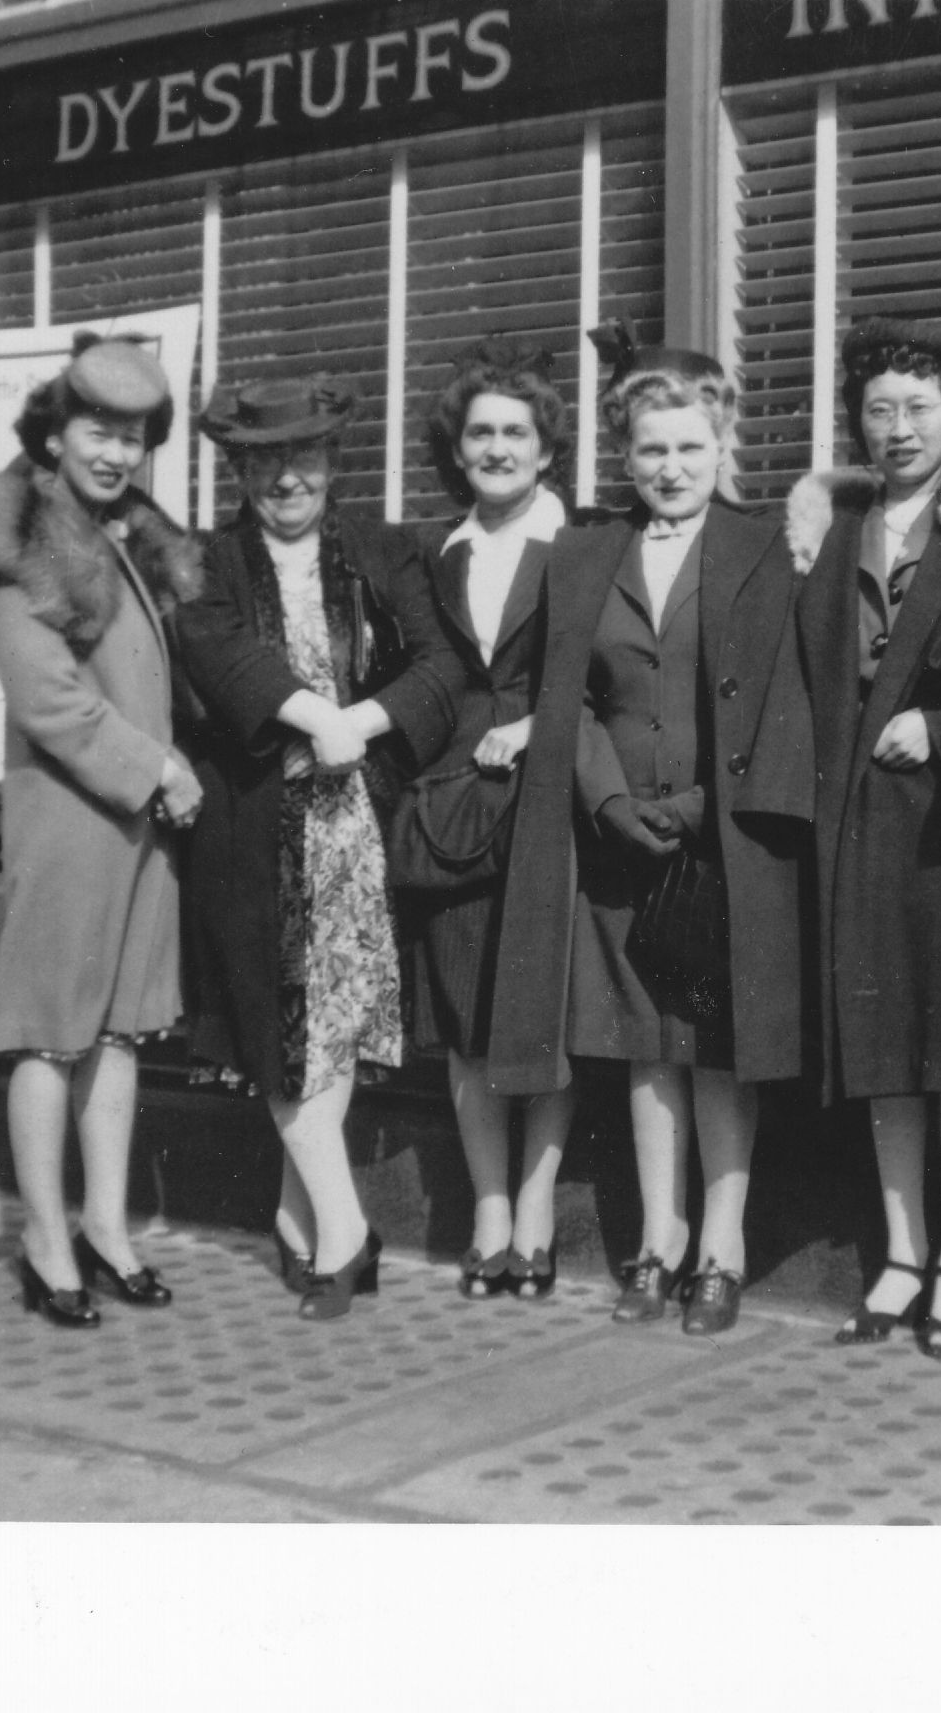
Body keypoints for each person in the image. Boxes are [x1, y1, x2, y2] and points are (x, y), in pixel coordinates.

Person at [487, 331, 811, 1336]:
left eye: (688, 450)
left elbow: (785, 697)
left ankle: (723, 1243)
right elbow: (565, 694)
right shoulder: (582, 554)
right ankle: (656, 1241)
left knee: (713, 1047)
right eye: (648, 452)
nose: (668, 470)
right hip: (620, 843)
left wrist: (711, 809)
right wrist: (611, 804)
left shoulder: (767, 548)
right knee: (642, 1051)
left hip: (724, 846)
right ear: (621, 457)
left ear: (723, 449)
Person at [173, 375, 457, 1321]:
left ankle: (301, 1220)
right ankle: (346, 1231)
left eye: (301, 456)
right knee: (281, 1024)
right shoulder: (208, 561)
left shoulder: (383, 549)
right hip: (255, 826)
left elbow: (441, 666)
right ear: (238, 469)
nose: (285, 477)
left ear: (333, 460)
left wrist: (363, 723)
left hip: (359, 826)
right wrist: (307, 717)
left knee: (330, 1025)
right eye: (262, 460)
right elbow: (213, 651)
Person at [0, 336, 204, 1329]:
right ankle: (45, 1244)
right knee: (51, 1037)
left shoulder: (123, 536)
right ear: (53, 431)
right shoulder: (16, 538)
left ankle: (105, 1227)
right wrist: (158, 772)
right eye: (97, 432)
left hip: (138, 824)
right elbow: (49, 702)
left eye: (132, 439)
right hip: (75, 819)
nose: (115, 455)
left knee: (120, 1030)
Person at [786, 316, 941, 1357]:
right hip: (856, 823)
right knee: (880, 1047)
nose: (897, 427)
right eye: (877, 409)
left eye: (918, 406)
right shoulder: (831, 529)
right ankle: (900, 1254)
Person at [395, 345, 578, 1299]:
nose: (498, 448)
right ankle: (490, 1210)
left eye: (517, 432)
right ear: (457, 451)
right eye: (481, 434)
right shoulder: (440, 553)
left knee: (539, 1012)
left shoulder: (587, 544)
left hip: (551, 804)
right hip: (457, 807)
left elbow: (617, 676)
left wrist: (542, 724)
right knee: (467, 1016)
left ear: (547, 450)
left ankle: (539, 1211)